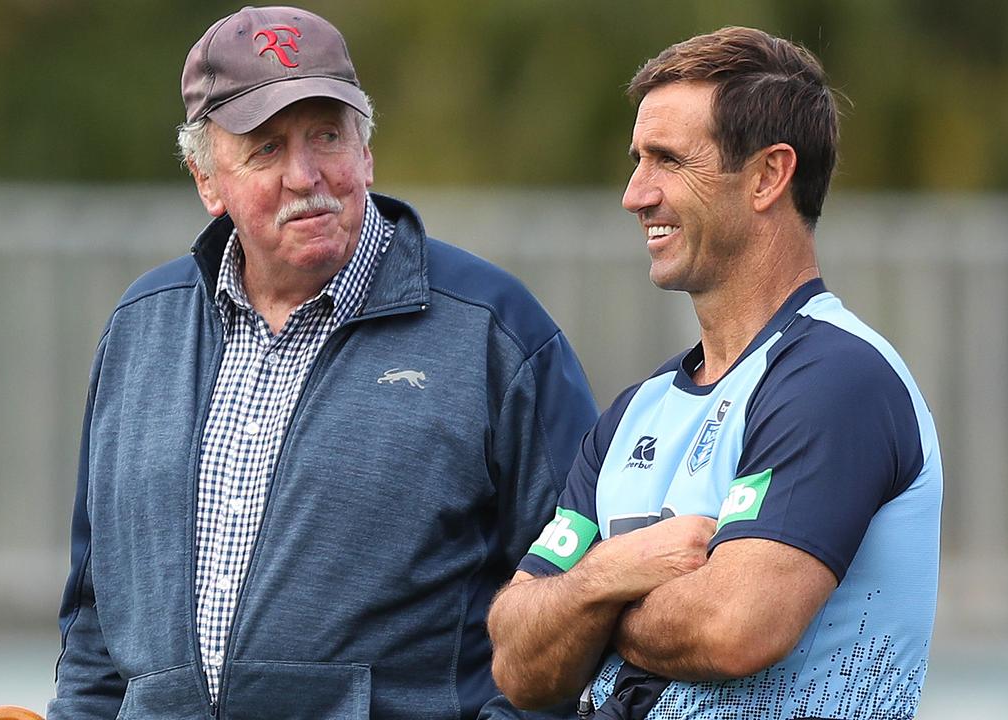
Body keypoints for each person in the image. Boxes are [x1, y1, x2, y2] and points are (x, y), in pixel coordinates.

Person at [47, 6, 596, 719]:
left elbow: (579, 588)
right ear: (207, 180)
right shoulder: (140, 330)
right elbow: (96, 624)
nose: (306, 175)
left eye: (327, 136)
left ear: (366, 152)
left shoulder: (492, 329)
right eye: (266, 148)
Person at [487, 27, 942, 720]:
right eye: (638, 160)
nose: (635, 194)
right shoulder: (635, 411)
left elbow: (736, 627)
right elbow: (519, 663)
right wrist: (617, 570)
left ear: (768, 176)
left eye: (667, 160)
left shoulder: (837, 378)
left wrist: (583, 609)